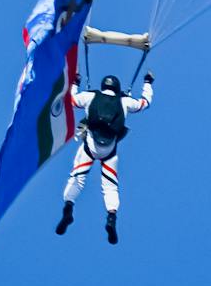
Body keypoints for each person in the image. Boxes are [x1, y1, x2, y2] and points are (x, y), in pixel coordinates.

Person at [55, 71, 154, 244]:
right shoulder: (125, 101)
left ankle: (68, 207)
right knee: (110, 187)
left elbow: (72, 101)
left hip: (90, 146)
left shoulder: (90, 96)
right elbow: (144, 103)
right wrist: (148, 82)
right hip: (109, 150)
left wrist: (75, 83)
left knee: (77, 178)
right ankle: (111, 217)